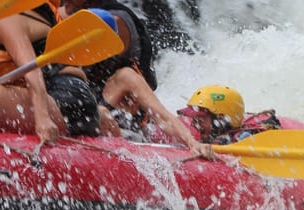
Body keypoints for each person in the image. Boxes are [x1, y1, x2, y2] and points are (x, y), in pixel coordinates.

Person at [60, 0, 214, 158]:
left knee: (101, 112)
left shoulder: (125, 77)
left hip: (124, 142)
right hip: (74, 132)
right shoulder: (65, 67)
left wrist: (191, 142)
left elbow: (162, 116)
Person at [0, 0, 101, 143]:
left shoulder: (6, 17)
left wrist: (42, 118)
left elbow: (31, 69)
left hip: (63, 99)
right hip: (77, 101)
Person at [176, 85, 281, 144]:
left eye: (200, 119)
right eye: (194, 119)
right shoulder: (212, 135)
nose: (195, 124)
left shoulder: (243, 139)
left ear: (221, 119)